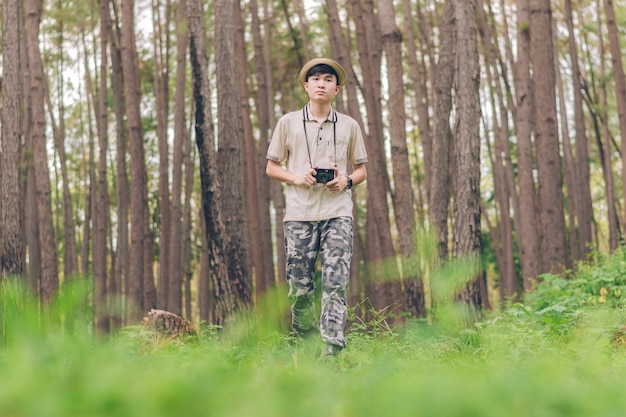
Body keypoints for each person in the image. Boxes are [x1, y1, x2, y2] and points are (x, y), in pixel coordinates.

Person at [266, 58, 368, 357]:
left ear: (337, 89)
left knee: (335, 283)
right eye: (315, 79)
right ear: (306, 86)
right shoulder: (288, 122)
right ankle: (306, 343)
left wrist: (346, 181)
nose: (321, 83)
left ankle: (332, 352)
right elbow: (272, 167)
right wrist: (297, 177)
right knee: (300, 288)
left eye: (327, 79)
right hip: (299, 215)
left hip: (338, 213)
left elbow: (362, 170)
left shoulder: (349, 125)